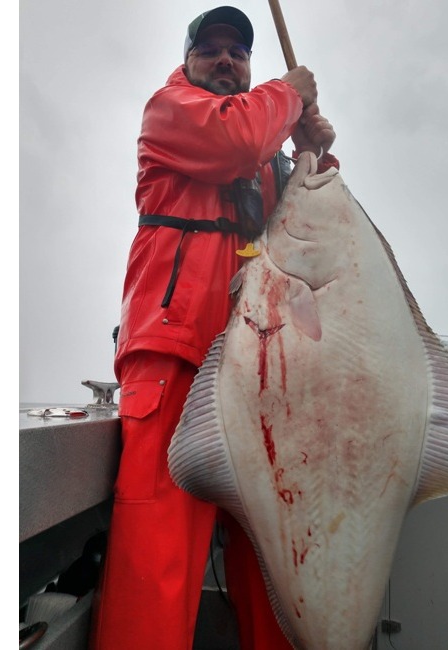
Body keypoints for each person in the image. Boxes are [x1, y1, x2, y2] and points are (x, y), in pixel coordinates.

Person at [89, 6, 338, 649]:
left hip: (259, 373)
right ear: (188, 60)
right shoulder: (170, 110)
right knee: (157, 551)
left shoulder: (267, 158)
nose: (226, 59)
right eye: (211, 49)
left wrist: (313, 154)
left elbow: (322, 231)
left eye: (239, 52)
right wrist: (291, 94)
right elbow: (235, 139)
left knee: (273, 557)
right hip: (174, 357)